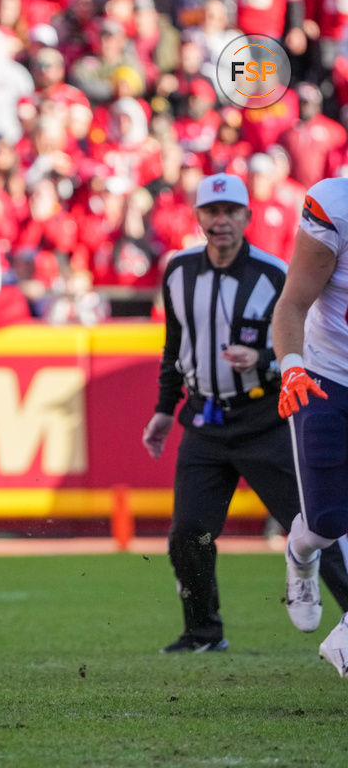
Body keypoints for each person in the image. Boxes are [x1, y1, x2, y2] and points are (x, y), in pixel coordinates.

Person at [141, 173, 348, 654]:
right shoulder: (178, 271)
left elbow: (297, 328)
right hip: (204, 420)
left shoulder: (275, 271)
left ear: (247, 217)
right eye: (211, 212)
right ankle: (203, 632)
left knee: (319, 520)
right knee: (188, 532)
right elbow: (174, 347)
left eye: (230, 211)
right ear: (197, 218)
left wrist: (264, 361)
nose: (221, 221)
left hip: (263, 419)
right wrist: (163, 410)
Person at [272, 176, 348, 677]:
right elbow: (293, 302)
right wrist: (292, 367)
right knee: (327, 520)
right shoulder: (336, 205)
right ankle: (299, 553)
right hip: (328, 374)